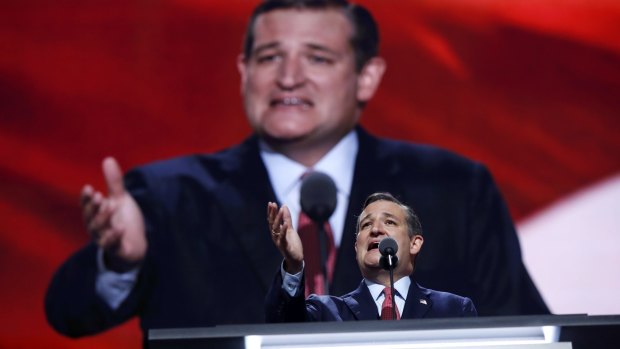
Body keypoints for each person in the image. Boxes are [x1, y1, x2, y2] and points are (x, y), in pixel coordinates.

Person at [45, 0, 548, 344]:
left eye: (317, 57)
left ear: (366, 76)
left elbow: (532, 334)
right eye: (270, 57)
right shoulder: (166, 195)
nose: (288, 77)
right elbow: (68, 314)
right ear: (244, 73)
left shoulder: (456, 190)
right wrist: (120, 262)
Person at [265, 192, 477, 322]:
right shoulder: (326, 313)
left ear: (415, 243)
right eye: (366, 225)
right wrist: (293, 266)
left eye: (390, 222)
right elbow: (283, 327)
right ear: (357, 247)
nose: (376, 230)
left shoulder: (453, 310)